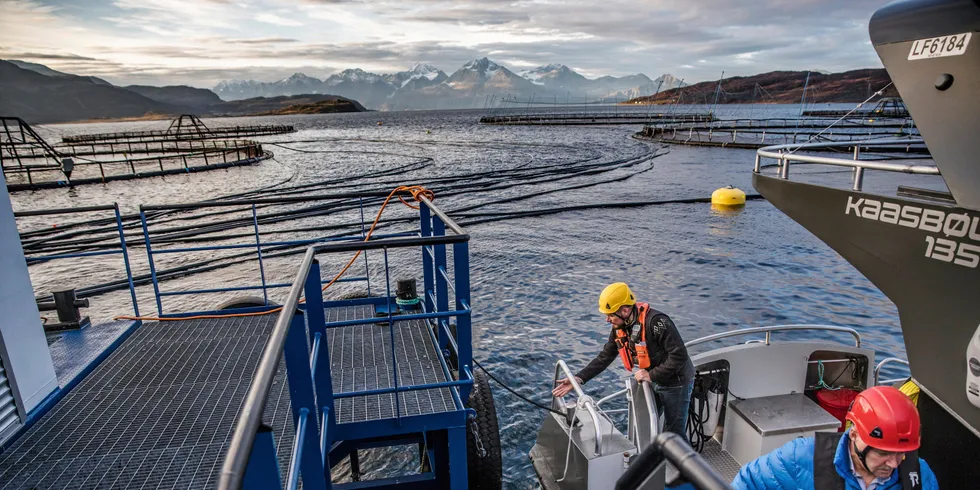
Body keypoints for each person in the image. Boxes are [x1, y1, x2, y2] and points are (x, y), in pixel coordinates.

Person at [552, 282, 695, 443]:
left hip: (675, 383)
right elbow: (604, 357)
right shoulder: (620, 327)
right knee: (645, 425)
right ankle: (651, 462)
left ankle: (684, 466)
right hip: (652, 381)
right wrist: (578, 379)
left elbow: (679, 356)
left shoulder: (657, 323)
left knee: (674, 434)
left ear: (625, 311)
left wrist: (651, 374)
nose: (607, 320)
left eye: (610, 315)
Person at [732, 385, 939, 490]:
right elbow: (746, 483)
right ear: (854, 433)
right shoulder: (801, 457)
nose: (894, 464)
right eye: (883, 452)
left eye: (901, 453)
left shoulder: (920, 476)